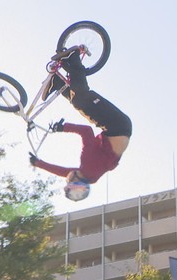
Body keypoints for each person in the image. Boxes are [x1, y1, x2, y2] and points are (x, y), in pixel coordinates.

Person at [29, 47, 132, 201]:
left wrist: (39, 163)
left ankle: (56, 83)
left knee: (80, 104)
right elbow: (86, 131)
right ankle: (73, 56)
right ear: (76, 181)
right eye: (69, 182)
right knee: (82, 99)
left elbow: (64, 171)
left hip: (116, 127)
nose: (67, 179)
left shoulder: (89, 175)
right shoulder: (88, 166)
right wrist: (63, 127)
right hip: (116, 125)